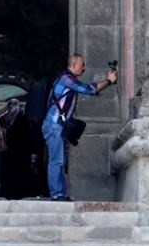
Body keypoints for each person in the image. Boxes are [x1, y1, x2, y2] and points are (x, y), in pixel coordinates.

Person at [42, 53, 118, 202]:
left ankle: (61, 194)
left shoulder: (66, 79)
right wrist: (108, 81)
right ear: (74, 64)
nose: (84, 69)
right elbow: (89, 89)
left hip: (57, 125)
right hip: (54, 124)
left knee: (60, 161)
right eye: (82, 65)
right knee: (56, 161)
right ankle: (56, 195)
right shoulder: (67, 79)